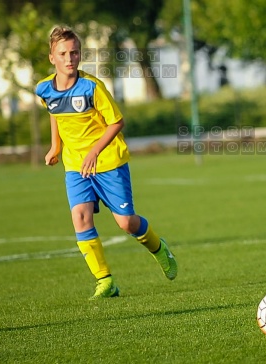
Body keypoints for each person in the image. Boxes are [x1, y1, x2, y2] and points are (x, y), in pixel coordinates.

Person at [35, 26, 178, 300]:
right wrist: (56, 146)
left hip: (109, 161)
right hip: (76, 165)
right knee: (80, 217)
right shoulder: (43, 89)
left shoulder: (92, 87)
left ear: (80, 55)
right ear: (52, 57)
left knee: (126, 223)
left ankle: (160, 248)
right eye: (63, 53)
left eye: (74, 52)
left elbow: (116, 122)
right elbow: (55, 112)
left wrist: (94, 152)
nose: (69, 58)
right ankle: (105, 281)